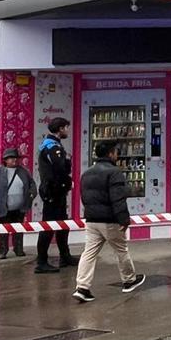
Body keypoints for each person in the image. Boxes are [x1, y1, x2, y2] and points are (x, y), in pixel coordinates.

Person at [72, 142, 145, 302]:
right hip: (109, 220)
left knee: (89, 252)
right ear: (111, 153)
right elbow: (118, 199)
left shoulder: (86, 173)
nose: (117, 154)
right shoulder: (114, 172)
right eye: (116, 152)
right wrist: (123, 219)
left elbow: (84, 197)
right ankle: (129, 280)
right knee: (121, 249)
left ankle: (82, 287)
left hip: (91, 220)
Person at [35, 117, 76, 274]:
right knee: (48, 226)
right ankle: (41, 261)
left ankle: (65, 256)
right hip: (53, 190)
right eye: (66, 127)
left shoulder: (53, 145)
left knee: (62, 225)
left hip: (57, 190)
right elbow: (59, 169)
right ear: (60, 129)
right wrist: (68, 181)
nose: (67, 131)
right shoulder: (52, 146)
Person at [0, 148, 35, 259]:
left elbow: (32, 185)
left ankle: (18, 249)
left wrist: (30, 195)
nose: (14, 160)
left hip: (19, 208)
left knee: (18, 230)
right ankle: (2, 251)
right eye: (11, 158)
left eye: (15, 158)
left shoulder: (23, 171)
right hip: (2, 207)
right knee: (2, 231)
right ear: (5, 160)